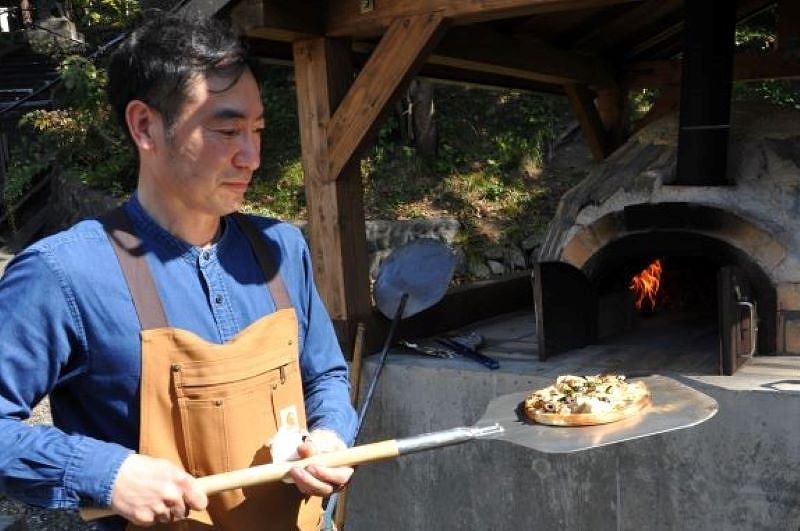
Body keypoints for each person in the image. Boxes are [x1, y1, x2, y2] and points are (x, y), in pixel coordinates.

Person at [0, 10, 357, 530]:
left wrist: (330, 435)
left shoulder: (282, 249)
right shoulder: (62, 275)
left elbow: (325, 374)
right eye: (228, 130)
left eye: (257, 130)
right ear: (145, 126)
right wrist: (106, 471)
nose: (252, 157)